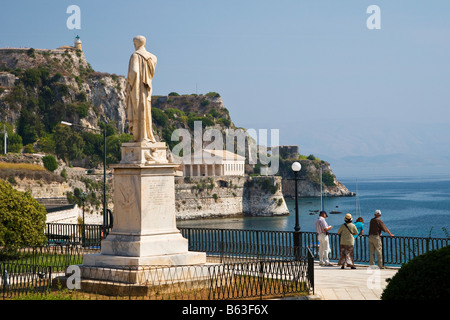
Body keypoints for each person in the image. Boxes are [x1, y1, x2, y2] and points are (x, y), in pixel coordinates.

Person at [125, 35, 157, 143]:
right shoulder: (153, 57)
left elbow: (134, 71)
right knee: (146, 110)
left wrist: (129, 82)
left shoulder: (135, 55)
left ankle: (139, 137)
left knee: (137, 110)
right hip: (147, 89)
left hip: (137, 88)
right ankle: (146, 135)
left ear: (135, 44)